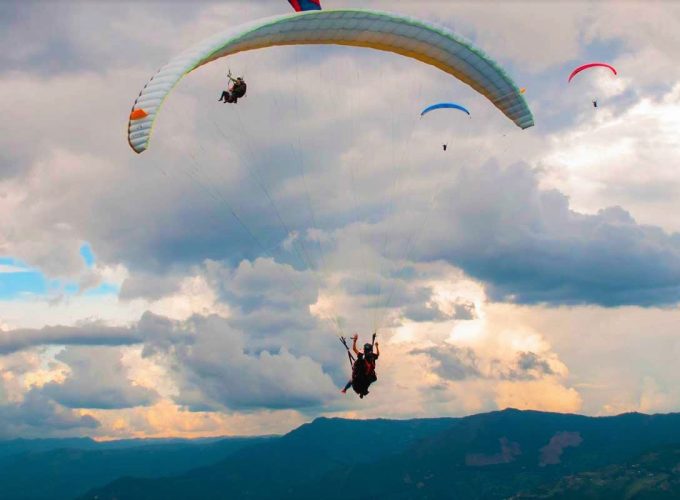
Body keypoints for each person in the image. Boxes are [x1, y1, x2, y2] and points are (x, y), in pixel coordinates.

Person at [341, 334, 380, 398]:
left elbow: (354, 349)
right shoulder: (368, 356)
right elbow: (354, 349)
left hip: (364, 377)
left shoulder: (368, 357)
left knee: (354, 380)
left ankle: (346, 389)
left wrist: (355, 341)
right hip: (365, 376)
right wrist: (376, 346)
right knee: (357, 379)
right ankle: (346, 389)